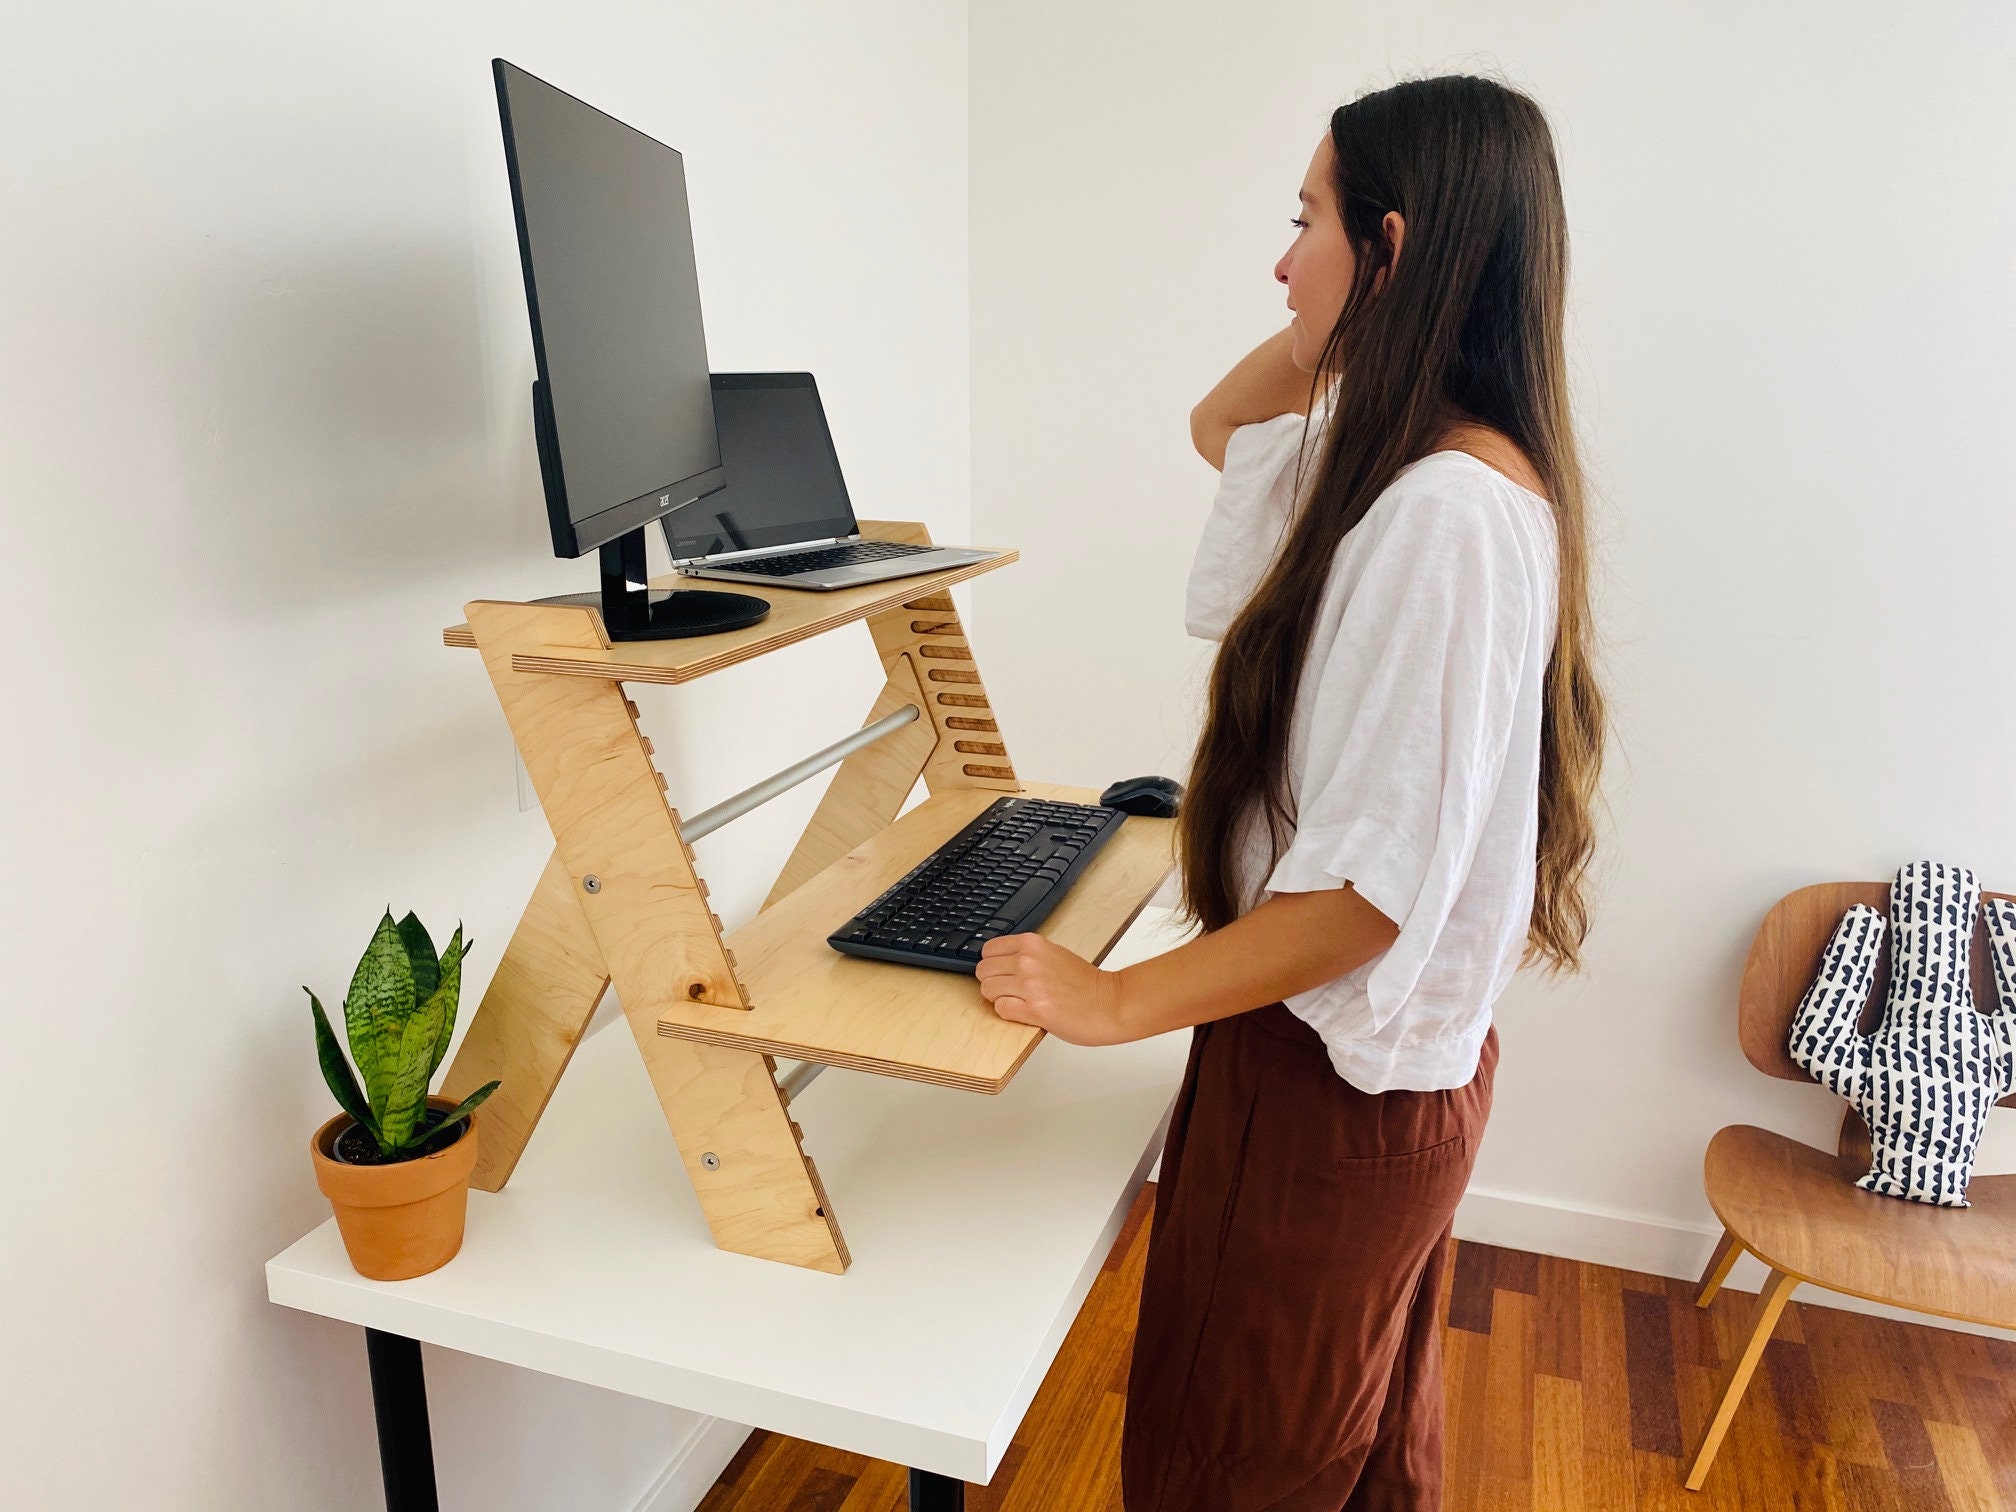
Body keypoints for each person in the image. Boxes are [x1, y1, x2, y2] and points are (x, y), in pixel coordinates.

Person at [973, 73, 1607, 1509]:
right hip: (1357, 1085)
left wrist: (1119, 998)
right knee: (1359, 1454)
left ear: (1390, 248)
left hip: (1322, 1092)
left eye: (1305, 221)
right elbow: (1220, 423)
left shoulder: (1445, 513)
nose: (1277, 262)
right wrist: (1362, 310)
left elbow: (1365, 900)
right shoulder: (1429, 468)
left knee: (1233, 1468)